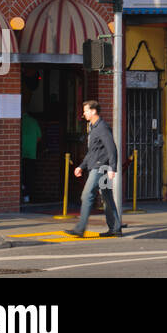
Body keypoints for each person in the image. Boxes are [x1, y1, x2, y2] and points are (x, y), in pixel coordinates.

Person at [67, 100, 120, 238]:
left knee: (87, 195)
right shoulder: (93, 127)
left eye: (86, 111)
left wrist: (112, 168)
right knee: (107, 197)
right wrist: (81, 166)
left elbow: (111, 148)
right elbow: (92, 152)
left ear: (93, 111)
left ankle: (80, 228)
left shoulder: (102, 127)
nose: (84, 114)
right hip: (98, 166)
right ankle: (115, 228)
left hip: (101, 168)